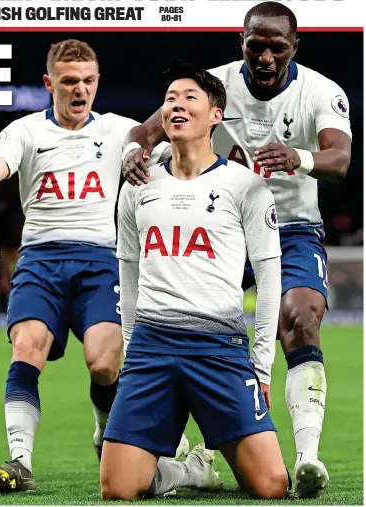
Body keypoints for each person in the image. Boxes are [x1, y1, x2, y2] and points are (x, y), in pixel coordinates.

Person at [120, 1, 352, 497]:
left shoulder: (320, 91)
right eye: (256, 45)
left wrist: (300, 157)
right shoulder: (211, 88)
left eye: (277, 47)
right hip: (221, 227)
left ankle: (308, 455)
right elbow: (144, 131)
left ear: (295, 47)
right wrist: (132, 153)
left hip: (289, 227)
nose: (266, 57)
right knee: (188, 321)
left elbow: (341, 158)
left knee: (301, 315)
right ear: (240, 42)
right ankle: (185, 446)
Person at [0, 39, 171, 494]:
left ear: (98, 82)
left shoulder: (120, 130)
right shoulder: (25, 132)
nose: (80, 90)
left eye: (89, 81)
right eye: (70, 81)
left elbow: (173, 158)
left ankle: (103, 432)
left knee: (104, 364)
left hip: (100, 260)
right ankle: (20, 461)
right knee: (28, 346)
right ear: (48, 83)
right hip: (40, 259)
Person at [100, 60, 289, 501]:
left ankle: (206, 457)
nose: (176, 105)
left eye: (189, 98)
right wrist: (131, 348)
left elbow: (269, 278)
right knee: (117, 489)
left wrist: (261, 365)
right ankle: (190, 472)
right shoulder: (136, 187)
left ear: (216, 115)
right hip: (152, 346)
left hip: (219, 349)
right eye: (169, 99)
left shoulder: (246, 187)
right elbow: (128, 270)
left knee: (271, 486)